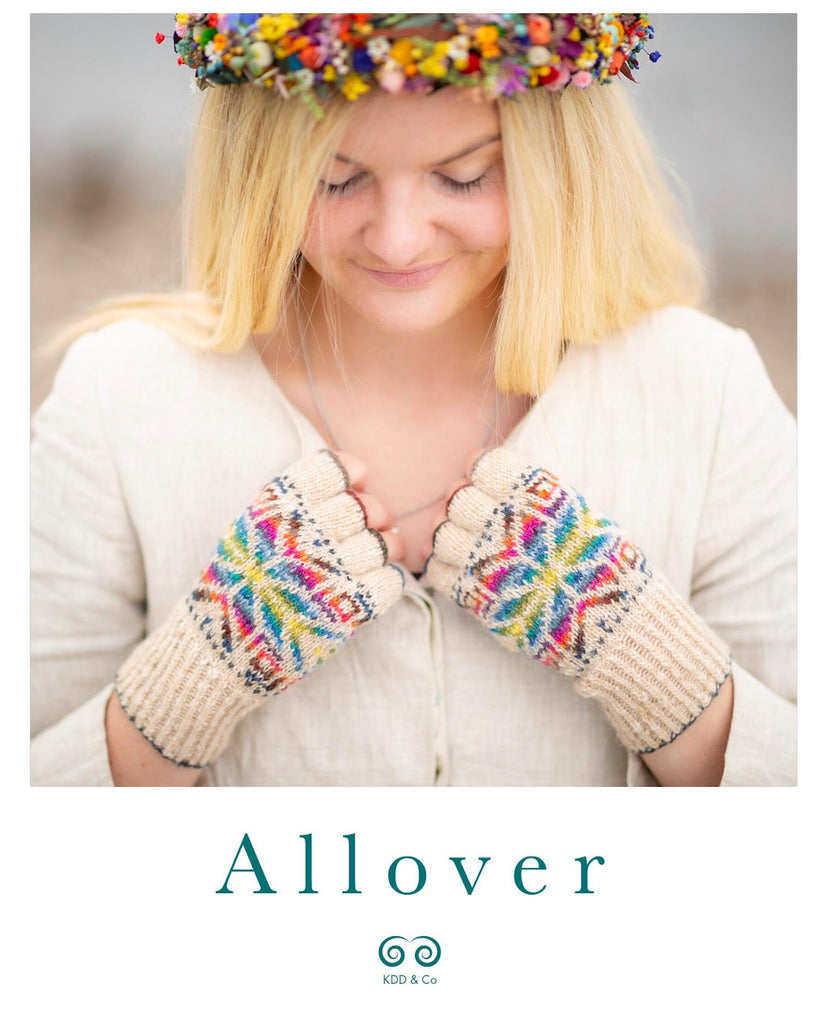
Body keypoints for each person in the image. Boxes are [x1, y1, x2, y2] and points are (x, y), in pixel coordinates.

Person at [30, 13, 796, 787]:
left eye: (464, 175)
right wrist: (192, 682)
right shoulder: (117, 400)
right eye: (334, 178)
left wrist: (649, 665)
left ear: (560, 158)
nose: (398, 241)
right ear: (256, 163)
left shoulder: (706, 390)